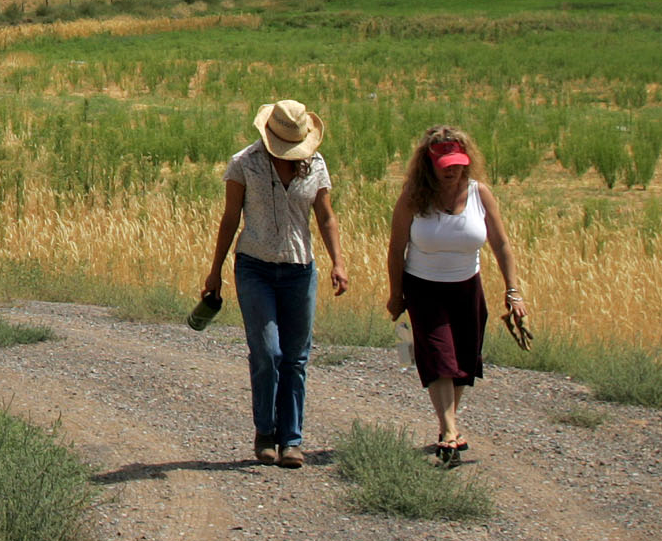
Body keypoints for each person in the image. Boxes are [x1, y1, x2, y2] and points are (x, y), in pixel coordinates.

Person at [200, 99, 349, 468]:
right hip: (255, 268)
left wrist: (338, 262)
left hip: (300, 269)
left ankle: (291, 440)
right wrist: (215, 270)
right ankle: (265, 433)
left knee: (296, 358)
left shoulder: (316, 164)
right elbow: (230, 218)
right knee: (268, 352)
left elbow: (325, 216)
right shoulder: (244, 163)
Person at [386, 126, 526, 460]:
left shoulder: (480, 194)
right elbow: (396, 249)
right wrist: (396, 294)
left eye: (459, 164)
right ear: (428, 164)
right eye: (445, 165)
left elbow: (501, 244)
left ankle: (447, 425)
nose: (453, 171)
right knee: (439, 357)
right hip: (423, 287)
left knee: (463, 360)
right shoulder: (412, 197)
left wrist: (513, 291)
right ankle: (449, 430)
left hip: (467, 288)